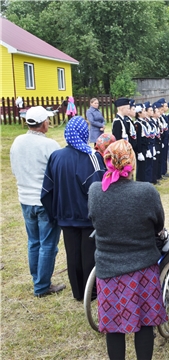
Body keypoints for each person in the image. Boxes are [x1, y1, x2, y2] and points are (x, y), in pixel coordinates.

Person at [87, 140, 167, 359]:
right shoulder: (146, 191)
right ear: (131, 161)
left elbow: (94, 220)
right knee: (145, 323)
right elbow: (158, 225)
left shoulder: (95, 191)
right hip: (142, 267)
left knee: (113, 326)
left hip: (108, 267)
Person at [41, 116, 105, 301]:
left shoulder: (56, 156)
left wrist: (54, 214)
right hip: (88, 217)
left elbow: (47, 190)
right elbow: (100, 188)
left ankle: (78, 293)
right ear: (84, 134)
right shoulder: (92, 157)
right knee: (89, 255)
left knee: (73, 254)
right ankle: (90, 293)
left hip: (65, 216)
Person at [10, 106, 65, 297]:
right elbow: (59, 173)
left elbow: (15, 169)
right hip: (44, 201)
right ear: (42, 124)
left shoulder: (17, 141)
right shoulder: (49, 145)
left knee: (33, 242)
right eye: (47, 120)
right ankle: (42, 285)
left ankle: (38, 278)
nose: (49, 123)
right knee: (48, 244)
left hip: (25, 198)